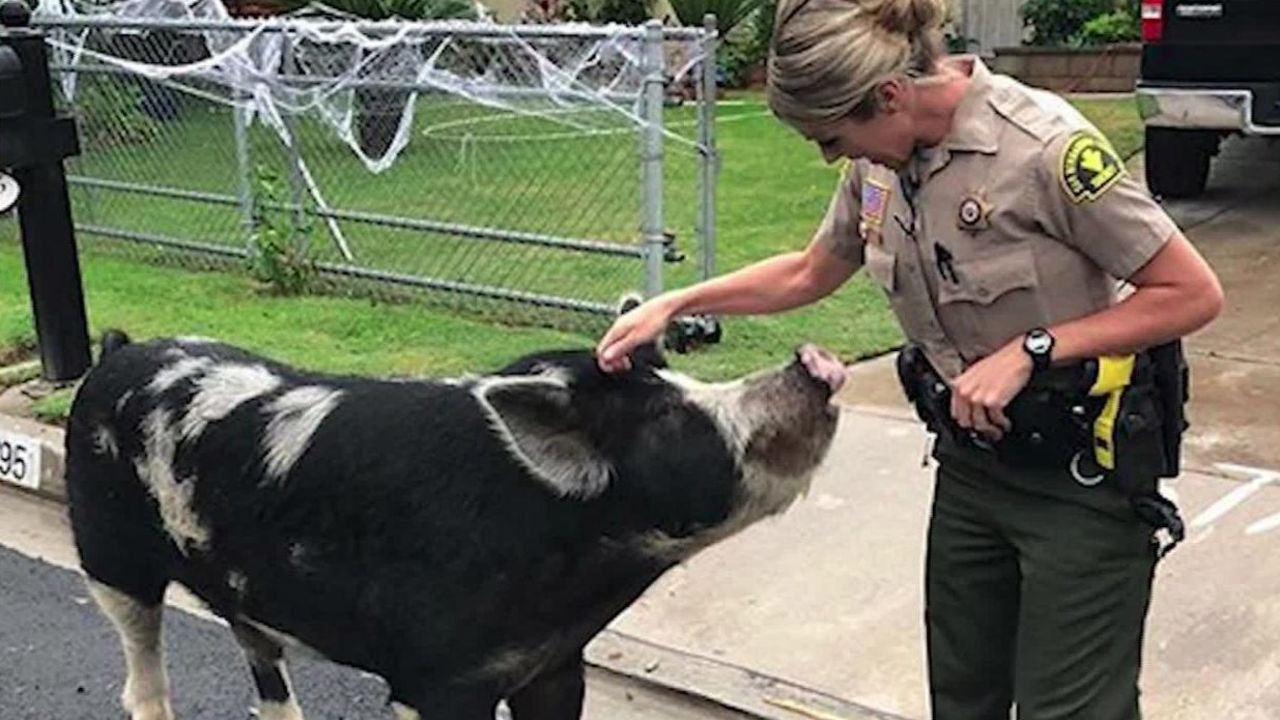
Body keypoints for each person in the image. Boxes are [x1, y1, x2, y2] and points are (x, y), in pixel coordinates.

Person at [594, 0, 1225, 717]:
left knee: (1072, 711)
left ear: (890, 95)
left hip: (1083, 483)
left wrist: (1034, 349)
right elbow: (811, 271)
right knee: (962, 699)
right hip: (970, 471)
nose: (832, 156)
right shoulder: (881, 163)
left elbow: (1189, 292)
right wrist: (676, 302)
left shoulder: (1042, 149)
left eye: (832, 137)